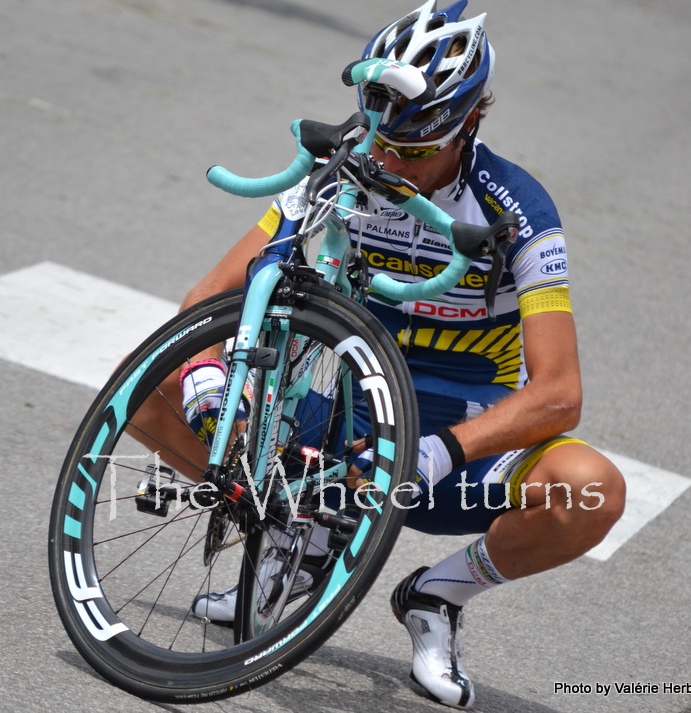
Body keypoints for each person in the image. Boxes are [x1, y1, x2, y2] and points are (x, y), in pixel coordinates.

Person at [132, 1, 626, 708]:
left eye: (416, 151)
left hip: (455, 441)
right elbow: (209, 297)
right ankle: (287, 528)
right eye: (383, 140)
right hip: (341, 419)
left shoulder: (519, 210)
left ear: (470, 124)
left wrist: (437, 452)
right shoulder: (348, 166)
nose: (390, 162)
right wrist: (211, 378)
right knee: (149, 391)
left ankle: (435, 595)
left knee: (593, 489)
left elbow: (559, 393)